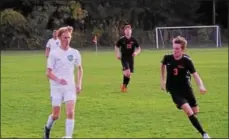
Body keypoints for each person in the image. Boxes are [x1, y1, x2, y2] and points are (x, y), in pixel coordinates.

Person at [160, 36, 210, 139]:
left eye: (177, 48)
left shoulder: (187, 60)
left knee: (195, 111)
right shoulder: (167, 57)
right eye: (173, 48)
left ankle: (182, 106)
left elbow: (195, 75)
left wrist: (201, 86)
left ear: (182, 49)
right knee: (189, 111)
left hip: (186, 89)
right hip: (174, 90)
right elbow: (162, 65)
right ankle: (204, 134)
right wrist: (163, 80)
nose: (175, 50)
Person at [43, 26, 83, 138]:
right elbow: (48, 73)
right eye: (65, 37)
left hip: (70, 87)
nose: (67, 40)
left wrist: (79, 84)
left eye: (69, 37)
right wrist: (58, 80)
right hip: (56, 87)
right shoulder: (54, 53)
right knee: (56, 115)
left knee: (70, 112)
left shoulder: (75, 53)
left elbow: (80, 69)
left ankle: (68, 137)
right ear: (59, 38)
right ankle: (47, 127)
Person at [114, 24, 141, 92]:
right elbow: (116, 47)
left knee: (128, 75)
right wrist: (118, 54)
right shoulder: (121, 39)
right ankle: (124, 87)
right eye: (126, 30)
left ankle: (124, 85)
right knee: (128, 73)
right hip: (124, 58)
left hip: (131, 58)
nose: (128, 31)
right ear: (124, 31)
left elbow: (139, 48)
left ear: (131, 31)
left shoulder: (133, 40)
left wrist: (136, 53)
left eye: (129, 30)